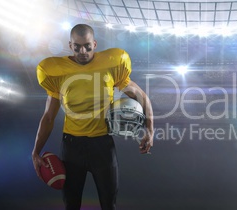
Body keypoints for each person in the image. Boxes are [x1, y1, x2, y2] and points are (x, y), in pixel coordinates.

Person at [31, 24, 154, 210]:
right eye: (77, 46)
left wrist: (150, 130)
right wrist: (35, 152)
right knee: (71, 205)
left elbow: (142, 97)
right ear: (70, 45)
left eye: (87, 46)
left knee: (109, 205)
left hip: (102, 145)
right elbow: (48, 117)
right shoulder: (56, 71)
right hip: (72, 146)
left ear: (95, 44)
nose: (83, 51)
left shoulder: (112, 64)